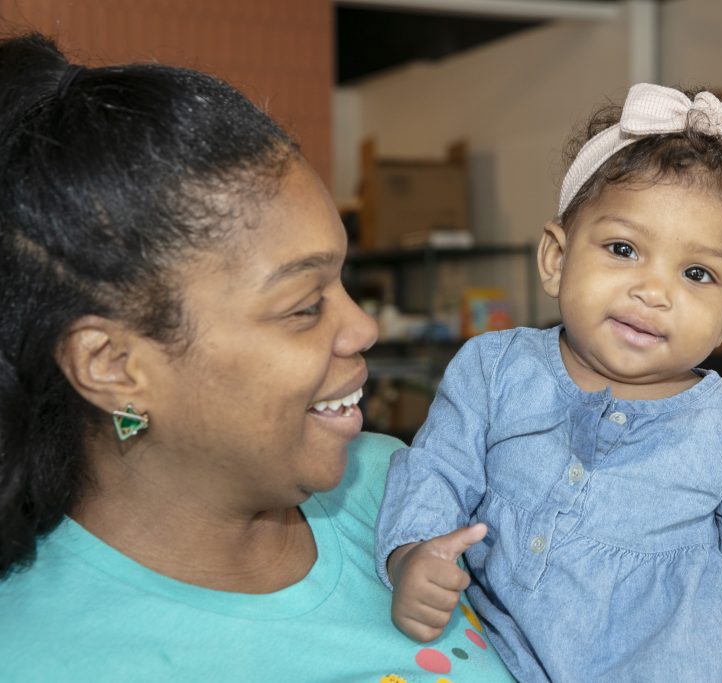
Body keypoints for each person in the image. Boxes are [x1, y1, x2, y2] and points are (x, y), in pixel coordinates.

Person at [0, 33, 514, 682]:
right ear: (115, 366)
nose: (361, 328)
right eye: (304, 306)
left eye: (344, 281)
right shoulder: (38, 657)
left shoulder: (404, 490)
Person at [375, 83, 722, 681]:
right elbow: (435, 473)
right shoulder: (496, 370)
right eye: (623, 249)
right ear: (556, 258)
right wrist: (413, 555)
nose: (654, 291)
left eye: (697, 273)